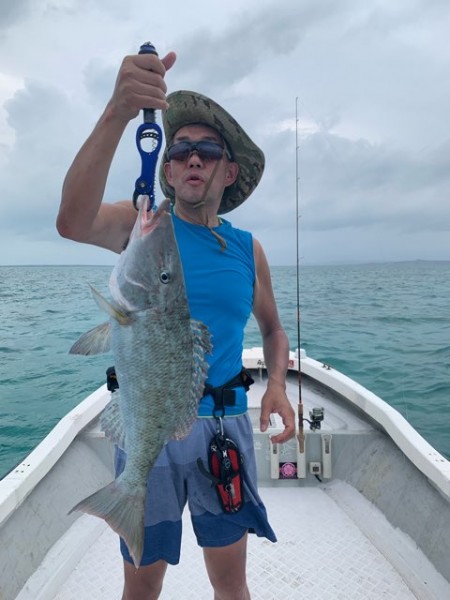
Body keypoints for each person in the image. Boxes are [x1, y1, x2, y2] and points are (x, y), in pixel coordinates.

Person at [57, 48, 295, 600]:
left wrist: (278, 384)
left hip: (224, 427)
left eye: (206, 151)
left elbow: (274, 331)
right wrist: (118, 111)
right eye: (180, 149)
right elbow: (71, 221)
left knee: (230, 582)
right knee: (142, 582)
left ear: (228, 171)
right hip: (149, 428)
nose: (192, 159)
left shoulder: (249, 249)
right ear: (166, 169)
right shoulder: (142, 227)